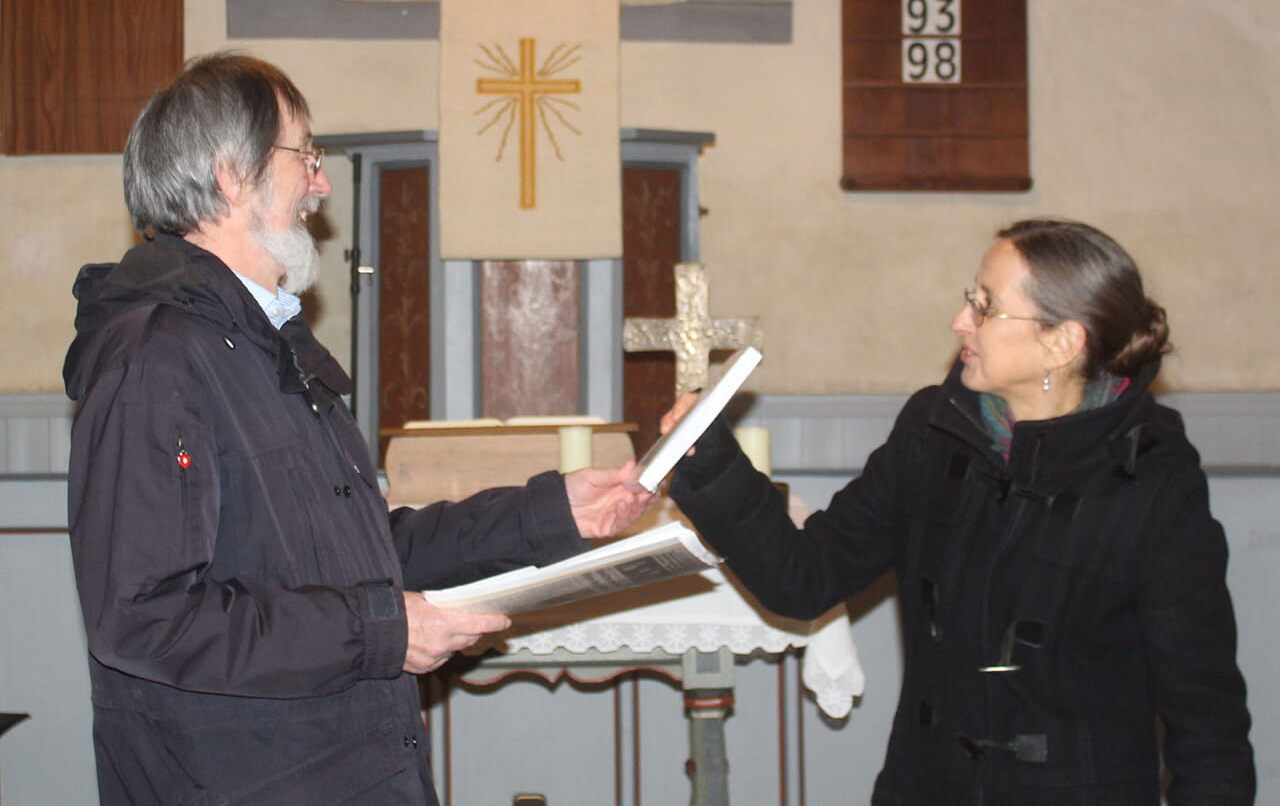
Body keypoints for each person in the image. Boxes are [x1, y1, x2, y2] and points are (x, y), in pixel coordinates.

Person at [62, 52, 654, 805]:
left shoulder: (262, 343)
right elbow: (144, 614)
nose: (322, 181)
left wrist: (552, 513)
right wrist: (380, 631)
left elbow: (370, 554)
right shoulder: (155, 355)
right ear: (229, 174)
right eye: (304, 155)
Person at [662, 219, 1255, 804]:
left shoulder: (1153, 481)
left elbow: (1207, 722)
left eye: (987, 307)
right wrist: (712, 464)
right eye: (969, 299)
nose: (959, 322)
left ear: (1062, 341)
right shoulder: (933, 432)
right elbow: (805, 576)